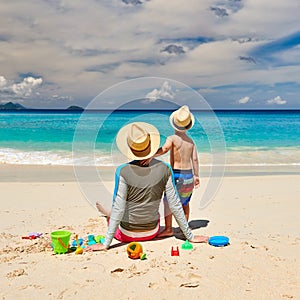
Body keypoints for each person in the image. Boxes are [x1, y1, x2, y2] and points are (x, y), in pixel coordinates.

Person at [87, 122, 208, 251]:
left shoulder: (122, 171)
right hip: (151, 232)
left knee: (112, 214)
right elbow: (175, 204)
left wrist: (106, 244)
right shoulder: (165, 169)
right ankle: (108, 214)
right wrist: (190, 236)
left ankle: (107, 215)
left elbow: (119, 207)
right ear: (151, 147)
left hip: (126, 235)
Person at [153, 105, 200, 238]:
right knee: (185, 202)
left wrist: (151, 155)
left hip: (177, 174)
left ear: (174, 124)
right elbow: (195, 159)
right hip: (189, 175)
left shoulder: (172, 138)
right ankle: (184, 226)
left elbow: (164, 149)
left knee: (169, 201)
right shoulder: (191, 142)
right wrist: (197, 176)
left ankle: (168, 228)